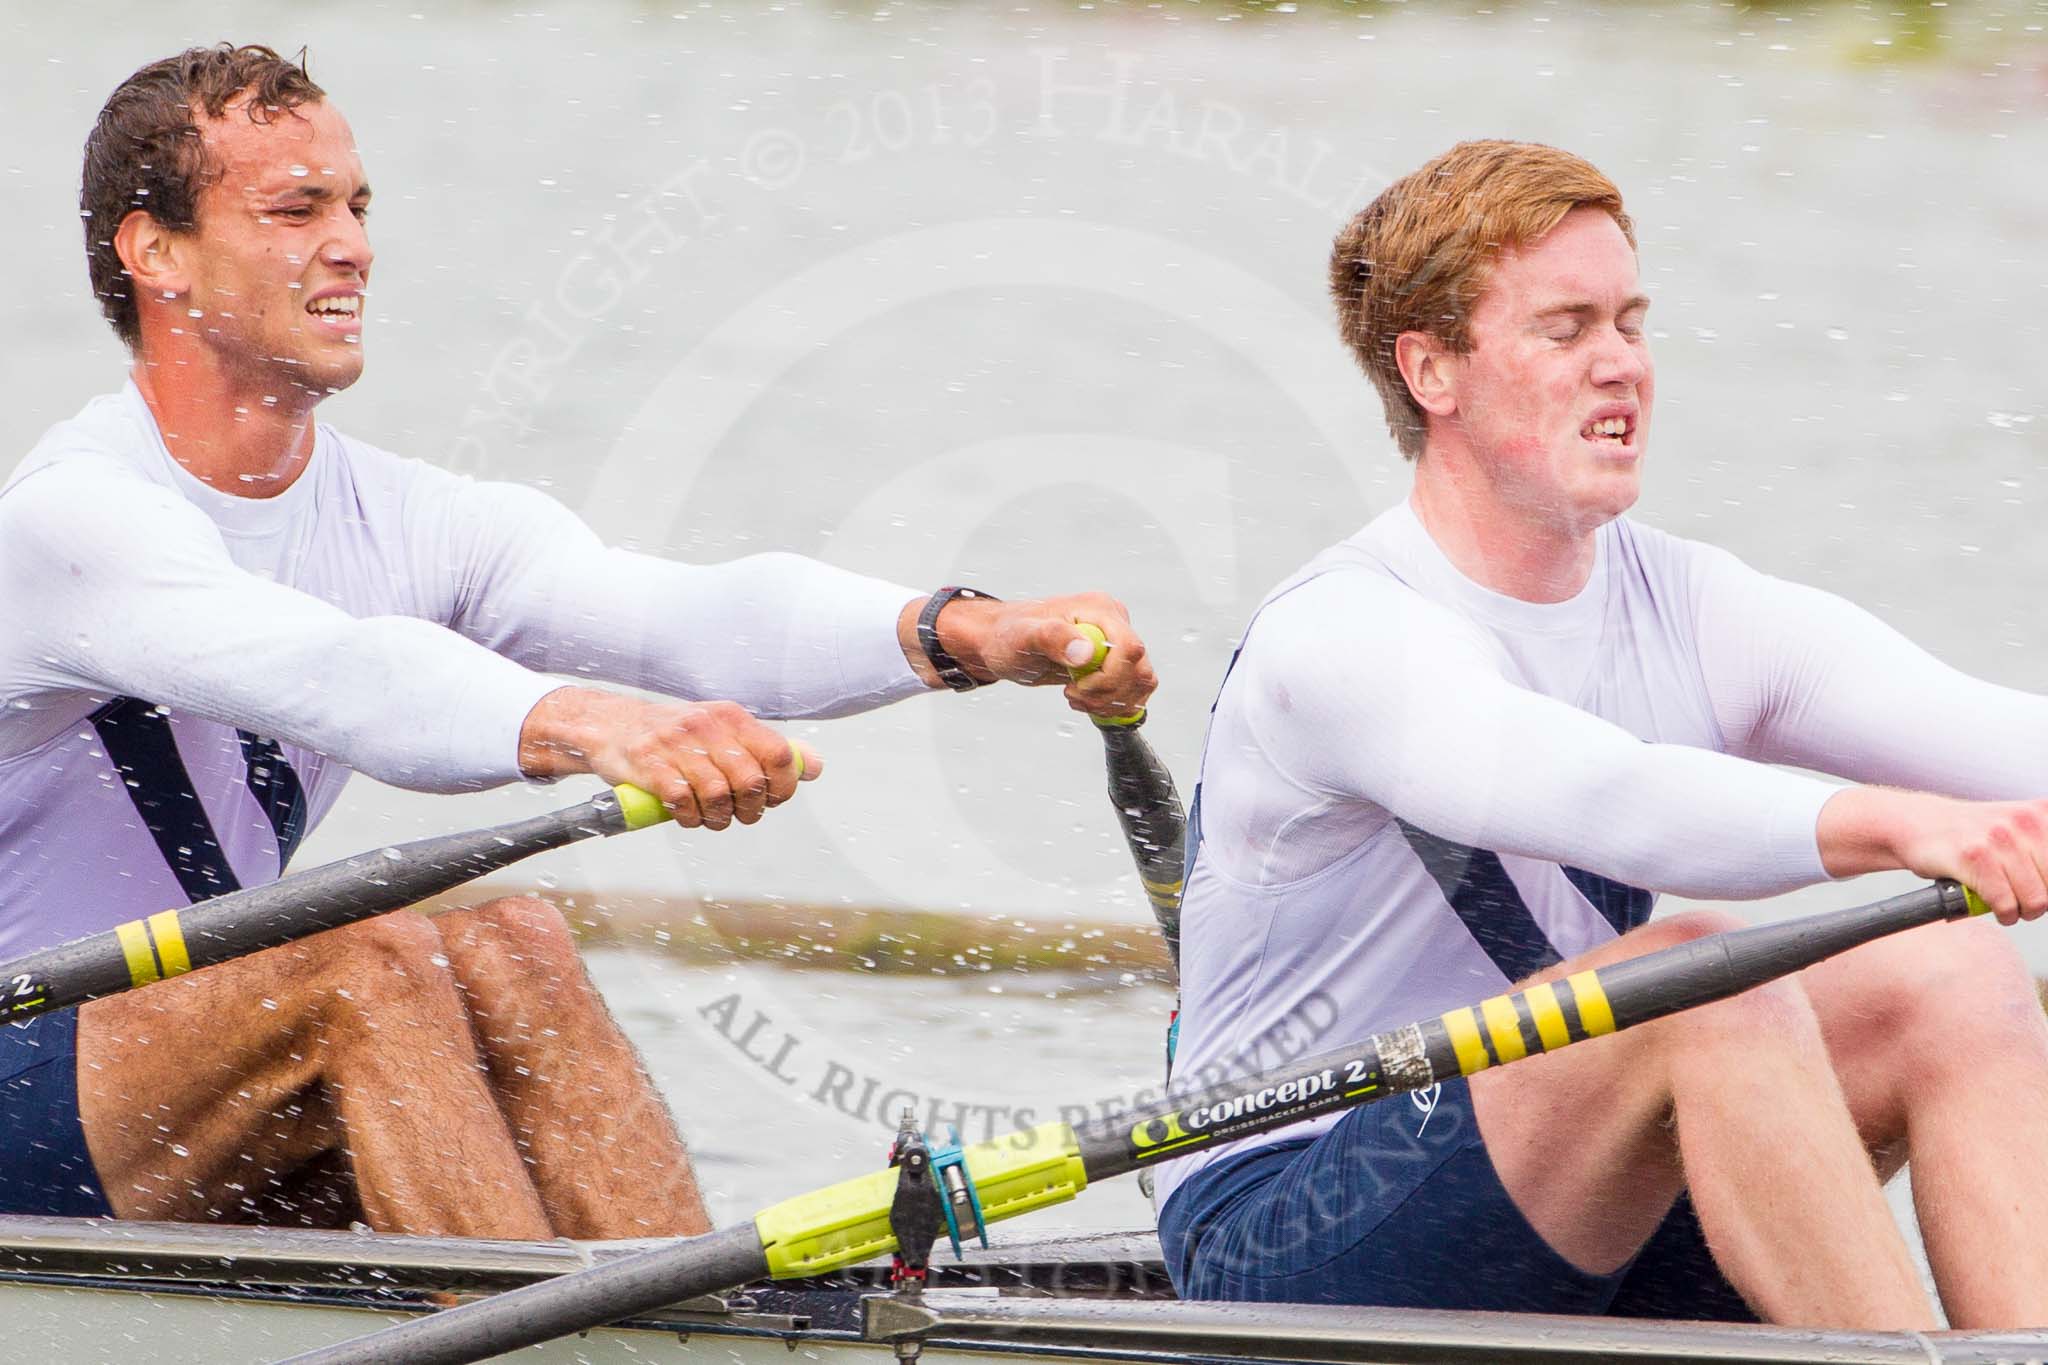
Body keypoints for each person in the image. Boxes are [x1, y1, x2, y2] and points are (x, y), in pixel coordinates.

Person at [0, 45, 1154, 1240]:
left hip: (171, 1082)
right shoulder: (74, 521)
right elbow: (337, 678)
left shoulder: (403, 516)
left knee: (519, 944)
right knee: (368, 963)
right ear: (153, 253)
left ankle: (674, 1315)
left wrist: (960, 629)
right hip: (16, 1055)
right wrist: (592, 725)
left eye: (356, 206)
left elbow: (683, 614)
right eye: (295, 209)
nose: (351, 244)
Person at [1154, 139, 2048, 1330]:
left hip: (1595, 1186)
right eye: (1563, 329)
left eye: (1629, 322)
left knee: (1949, 967)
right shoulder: (1340, 640)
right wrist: (1901, 823)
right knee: (1696, 980)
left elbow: (2001, 739)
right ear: (1431, 371)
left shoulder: (1692, 603)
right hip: (1295, 1226)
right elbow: (1610, 798)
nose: (1618, 364)